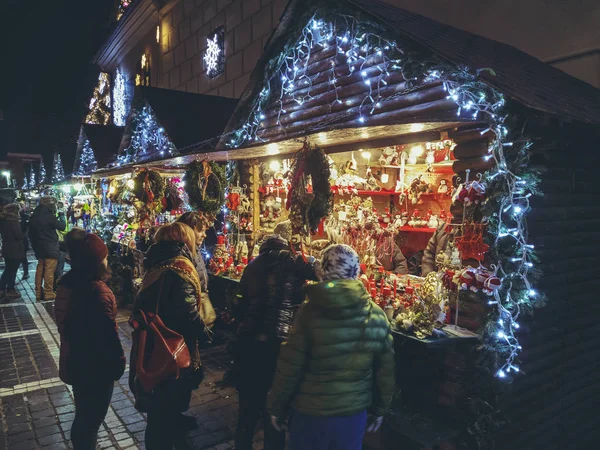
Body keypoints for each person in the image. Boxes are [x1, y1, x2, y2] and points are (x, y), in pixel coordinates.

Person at [268, 244, 396, 450]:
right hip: (351, 417)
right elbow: (385, 371)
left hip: (309, 415)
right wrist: (380, 409)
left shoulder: (308, 313)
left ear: (323, 271)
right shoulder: (376, 315)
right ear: (356, 272)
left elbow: (289, 367)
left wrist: (277, 406)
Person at [234, 234, 319, 450]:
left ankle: (242, 445)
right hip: (279, 341)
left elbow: (240, 302)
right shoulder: (290, 258)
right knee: (274, 404)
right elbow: (323, 270)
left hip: (250, 341)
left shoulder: (252, 265)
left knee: (248, 404)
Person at [131, 222, 207, 450]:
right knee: (165, 407)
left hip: (153, 342)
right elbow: (188, 313)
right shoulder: (179, 269)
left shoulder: (155, 264)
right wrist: (204, 332)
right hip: (172, 345)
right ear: (185, 241)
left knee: (158, 410)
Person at [55, 229, 125, 450]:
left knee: (84, 417)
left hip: (77, 360)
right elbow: (106, 336)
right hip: (95, 367)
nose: (107, 259)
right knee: (90, 421)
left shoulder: (69, 284)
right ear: (95, 262)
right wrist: (118, 365)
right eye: (103, 256)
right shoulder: (97, 293)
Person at [29, 196, 67, 301]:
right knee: (49, 270)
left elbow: (30, 233)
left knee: (40, 268)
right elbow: (62, 226)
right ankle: (48, 292)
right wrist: (62, 216)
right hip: (50, 246)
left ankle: (38, 292)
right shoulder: (49, 216)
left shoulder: (35, 215)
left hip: (38, 246)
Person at [176, 211, 212, 295]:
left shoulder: (195, 250)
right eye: (201, 231)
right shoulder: (181, 253)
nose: (204, 235)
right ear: (189, 231)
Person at [0, 204, 26, 300]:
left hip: (7, 248)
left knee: (8, 269)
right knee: (12, 270)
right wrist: (25, 231)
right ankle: (10, 289)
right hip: (15, 249)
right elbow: (18, 235)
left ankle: (2, 288)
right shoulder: (13, 222)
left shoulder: (4, 221)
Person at [54, 201, 68, 289]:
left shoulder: (52, 216)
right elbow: (64, 230)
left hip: (53, 243)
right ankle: (57, 285)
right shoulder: (60, 216)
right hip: (60, 242)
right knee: (60, 266)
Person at [19, 200, 30, 280]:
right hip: (17, 240)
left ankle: (26, 273)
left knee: (23, 257)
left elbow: (27, 229)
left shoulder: (25, 217)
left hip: (23, 240)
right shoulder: (13, 218)